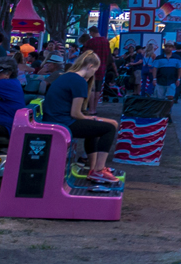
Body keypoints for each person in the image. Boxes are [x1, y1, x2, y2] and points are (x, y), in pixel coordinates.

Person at [40, 52, 122, 181]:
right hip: (64, 123)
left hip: (54, 120)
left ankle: (94, 168)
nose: (93, 73)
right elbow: (76, 114)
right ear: (90, 66)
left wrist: (95, 120)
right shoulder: (79, 81)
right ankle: (99, 170)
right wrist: (96, 119)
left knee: (95, 129)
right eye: (94, 69)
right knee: (109, 127)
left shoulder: (66, 76)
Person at [0, 57, 24, 152]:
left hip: (5, 126)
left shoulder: (2, 83)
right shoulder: (13, 82)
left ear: (8, 73)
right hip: (7, 124)